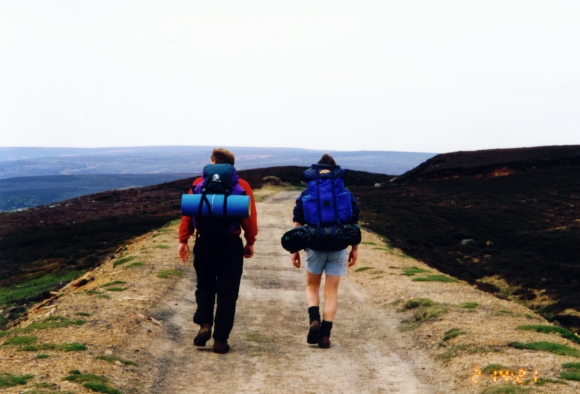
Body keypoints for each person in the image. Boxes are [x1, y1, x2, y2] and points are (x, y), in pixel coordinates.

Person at [178, 148, 258, 354]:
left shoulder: (198, 184)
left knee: (204, 286)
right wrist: (250, 242)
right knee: (228, 292)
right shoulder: (242, 185)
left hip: (204, 243)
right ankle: (220, 340)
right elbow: (249, 219)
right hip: (230, 245)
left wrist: (183, 241)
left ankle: (205, 323)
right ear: (232, 166)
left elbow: (188, 215)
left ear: (212, 162)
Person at [291, 154, 360, 348]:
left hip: (314, 245)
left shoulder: (307, 193)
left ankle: (314, 320)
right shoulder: (345, 193)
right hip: (338, 247)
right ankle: (325, 336)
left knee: (311, 286)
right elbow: (354, 223)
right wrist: (354, 249)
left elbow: (298, 224)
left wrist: (294, 250)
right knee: (332, 292)